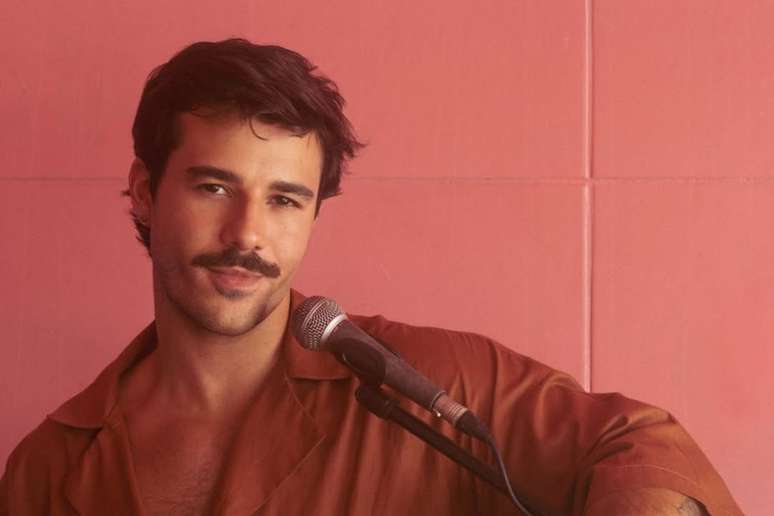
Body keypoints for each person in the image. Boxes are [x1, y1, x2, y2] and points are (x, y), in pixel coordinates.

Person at [0, 39, 741, 516]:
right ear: (144, 191)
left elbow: (641, 444)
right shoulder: (46, 469)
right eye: (214, 187)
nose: (248, 234)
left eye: (285, 200)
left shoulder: (433, 384)